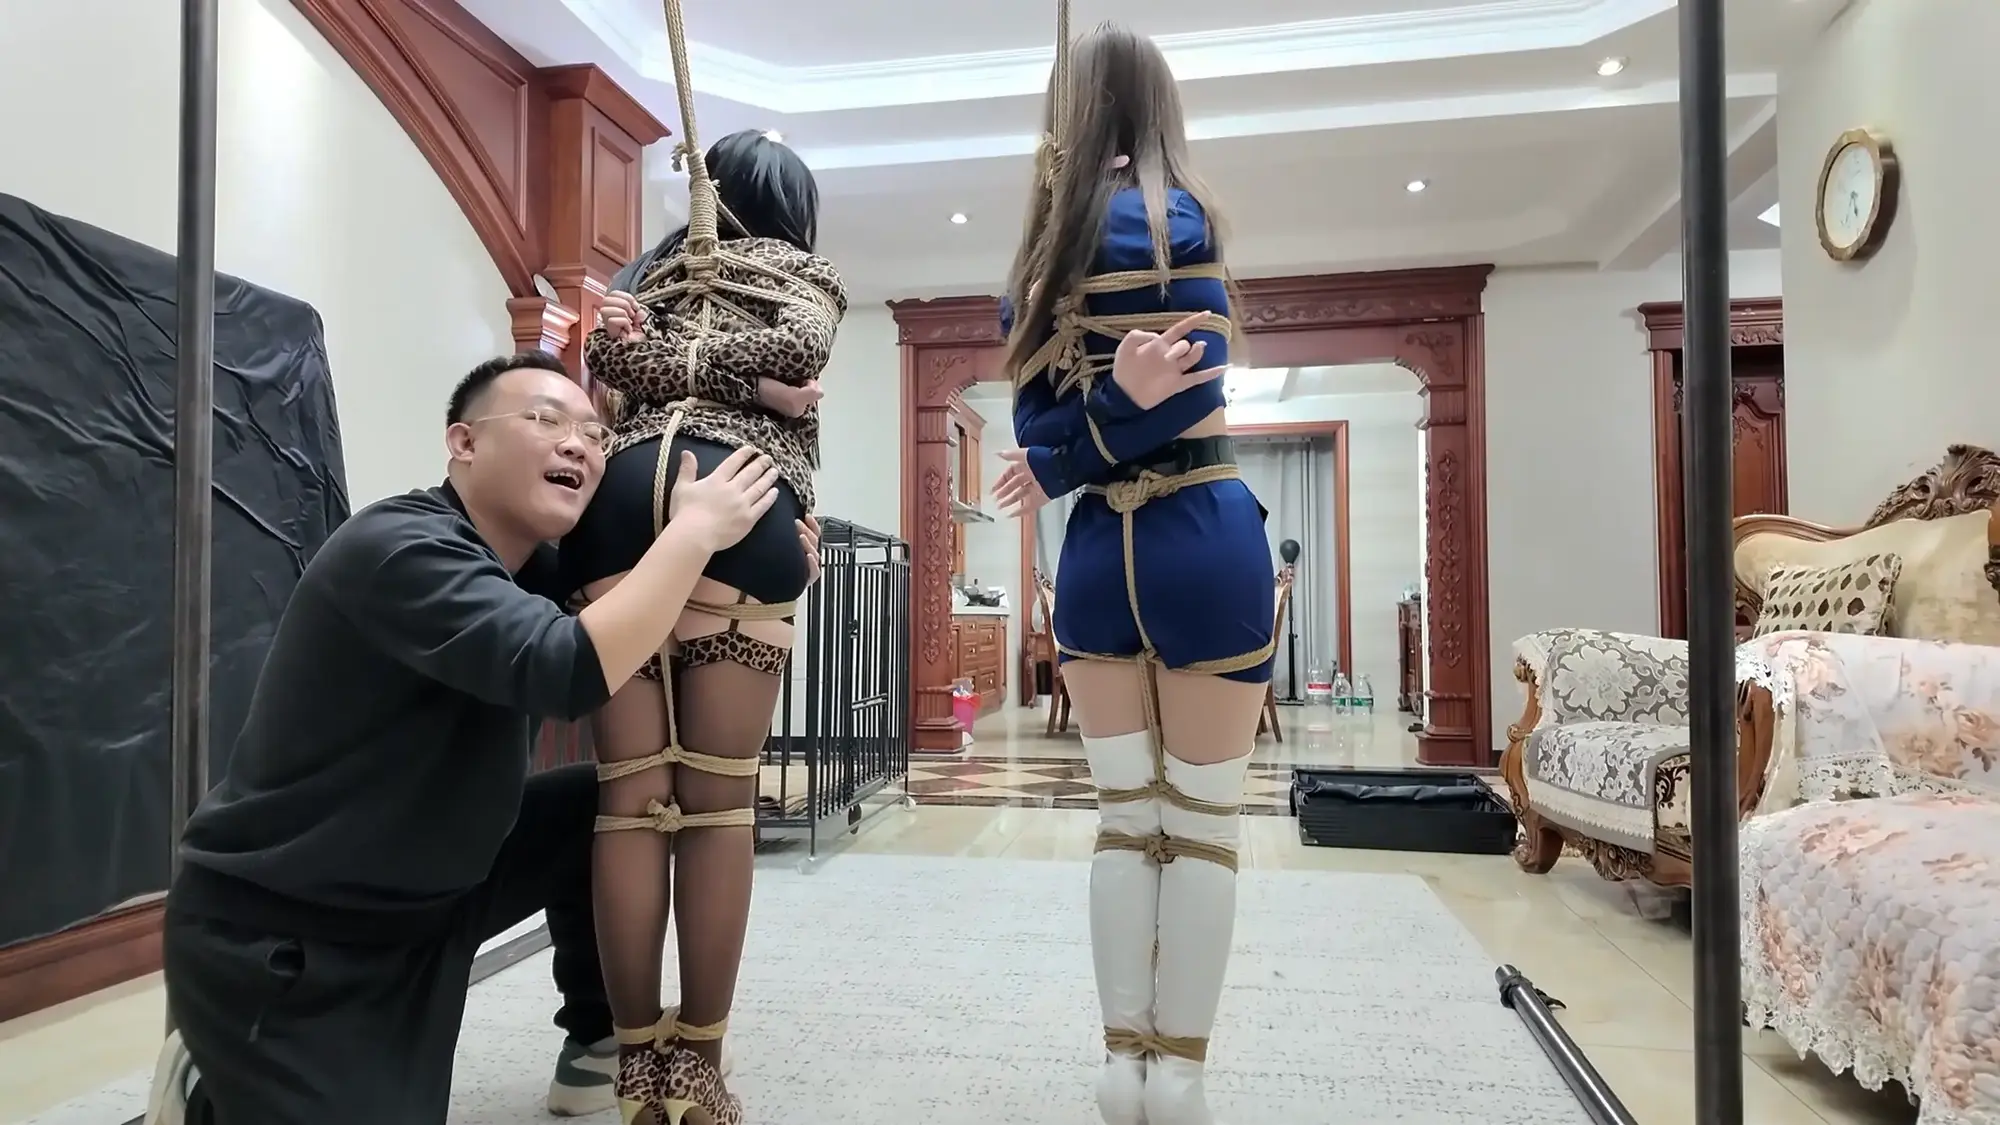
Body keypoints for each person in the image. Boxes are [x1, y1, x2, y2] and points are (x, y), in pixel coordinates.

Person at [144, 350, 810, 1125]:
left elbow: (649, 612)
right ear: (463, 442)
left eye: (595, 434)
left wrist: (769, 567)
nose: (578, 444)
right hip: (291, 925)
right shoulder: (401, 548)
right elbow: (570, 667)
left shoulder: (530, 568)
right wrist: (692, 531)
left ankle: (596, 1038)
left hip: (431, 897)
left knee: (602, 804)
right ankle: (210, 1079)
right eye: (545, 419)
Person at [990, 23, 1273, 1125]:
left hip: (1094, 558)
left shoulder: (1035, 260)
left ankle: (1121, 1071)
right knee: (1201, 824)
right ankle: (1179, 1079)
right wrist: (1129, 404)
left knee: (1122, 819)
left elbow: (1041, 449)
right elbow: (1200, 389)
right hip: (1205, 533)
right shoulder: (1181, 217)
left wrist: (1088, 432)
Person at [557, 128, 845, 1125]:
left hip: (617, 509)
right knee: (716, 804)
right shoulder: (805, 273)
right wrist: (751, 388)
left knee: (629, 801)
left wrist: (662, 362)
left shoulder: (647, 279)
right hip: (740, 494)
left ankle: (635, 1067)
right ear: (793, 211)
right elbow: (795, 353)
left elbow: (610, 356)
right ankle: (698, 1069)